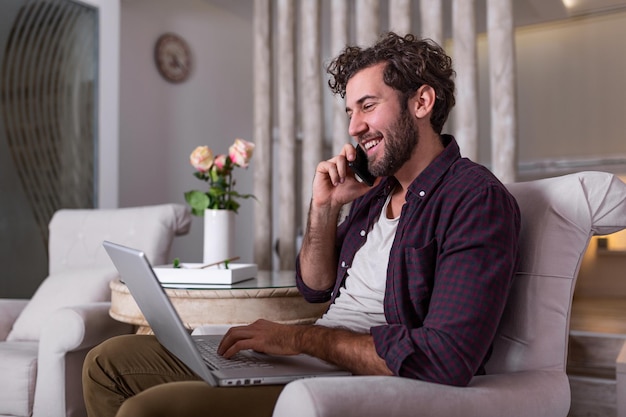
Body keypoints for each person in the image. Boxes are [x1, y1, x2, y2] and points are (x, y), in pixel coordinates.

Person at [82, 32, 520, 417]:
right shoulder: (377, 192)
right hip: (310, 357)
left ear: (422, 102)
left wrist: (302, 341)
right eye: (350, 111)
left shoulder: (474, 199)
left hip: (356, 382)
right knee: (107, 361)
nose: (354, 127)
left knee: (148, 408)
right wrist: (323, 207)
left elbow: (446, 359)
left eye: (367, 106)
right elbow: (314, 286)